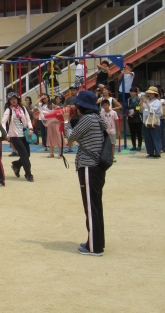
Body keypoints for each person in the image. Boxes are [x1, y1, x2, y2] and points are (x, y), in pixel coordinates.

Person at [62, 90, 108, 256]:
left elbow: (70, 137)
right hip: (96, 166)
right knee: (95, 205)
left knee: (90, 207)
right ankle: (95, 241)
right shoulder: (97, 118)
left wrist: (66, 121)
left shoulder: (88, 119)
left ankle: (94, 247)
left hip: (89, 166)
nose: (75, 107)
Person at [2, 92, 34, 182]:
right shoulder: (9, 110)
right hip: (14, 135)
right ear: (9, 101)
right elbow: (3, 122)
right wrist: (6, 134)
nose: (14, 100)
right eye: (11, 99)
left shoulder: (23, 108)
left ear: (18, 99)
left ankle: (16, 164)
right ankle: (28, 174)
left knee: (27, 154)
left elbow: (28, 120)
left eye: (15, 98)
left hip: (24, 134)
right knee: (24, 154)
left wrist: (31, 129)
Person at [140, 87, 162, 158]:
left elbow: (153, 110)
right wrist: (141, 102)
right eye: (149, 93)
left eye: (151, 93)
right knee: (147, 138)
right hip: (146, 121)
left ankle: (157, 152)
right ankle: (150, 152)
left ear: (155, 94)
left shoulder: (157, 101)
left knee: (155, 137)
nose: (150, 95)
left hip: (154, 121)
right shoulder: (147, 100)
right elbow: (141, 110)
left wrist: (146, 103)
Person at [156, 85, 165, 153]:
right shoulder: (153, 100)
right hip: (156, 118)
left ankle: (164, 147)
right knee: (158, 133)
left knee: (163, 133)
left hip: (163, 118)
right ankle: (160, 146)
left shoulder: (163, 99)